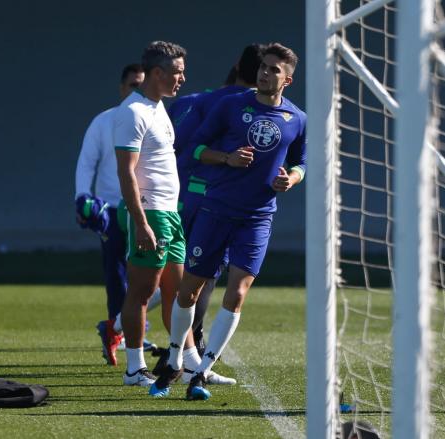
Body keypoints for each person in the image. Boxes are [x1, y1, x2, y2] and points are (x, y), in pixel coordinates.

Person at [149, 43, 307, 400]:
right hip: (216, 209)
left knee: (238, 292)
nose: (265, 73)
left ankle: (201, 373)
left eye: (273, 70)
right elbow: (196, 149)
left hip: (258, 217)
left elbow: (302, 162)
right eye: (263, 67)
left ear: (288, 79)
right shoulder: (231, 105)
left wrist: (292, 179)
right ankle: (174, 359)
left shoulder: (297, 119)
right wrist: (227, 158)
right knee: (190, 289)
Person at [170, 43, 264, 385]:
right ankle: (184, 360)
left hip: (181, 196)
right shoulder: (241, 107)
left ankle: (179, 356)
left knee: (181, 275)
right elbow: (190, 148)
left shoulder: (192, 101)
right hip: (211, 202)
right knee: (196, 279)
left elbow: (172, 147)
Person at [113, 41, 188, 387]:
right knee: (141, 292)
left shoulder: (158, 107)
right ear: (157, 73)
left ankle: (185, 361)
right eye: (177, 72)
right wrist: (140, 222)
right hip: (150, 213)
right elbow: (126, 173)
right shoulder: (133, 112)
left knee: (181, 292)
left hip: (170, 213)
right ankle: (134, 368)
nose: (182, 79)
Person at [74, 63, 148, 367]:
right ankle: (121, 332)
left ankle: (122, 325)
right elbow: (86, 162)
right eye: (132, 85)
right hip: (112, 209)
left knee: (156, 274)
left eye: (141, 85)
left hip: (148, 208)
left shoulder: (157, 118)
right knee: (117, 273)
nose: (136, 91)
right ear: (122, 88)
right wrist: (82, 198)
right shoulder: (104, 121)